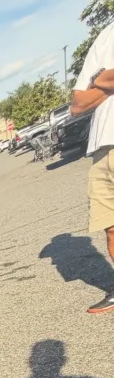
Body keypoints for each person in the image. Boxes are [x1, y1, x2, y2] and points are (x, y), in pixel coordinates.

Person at [71, 21, 114, 313]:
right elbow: (77, 103)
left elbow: (91, 91)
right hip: (102, 146)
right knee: (110, 227)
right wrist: (106, 81)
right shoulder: (104, 36)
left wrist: (99, 79)